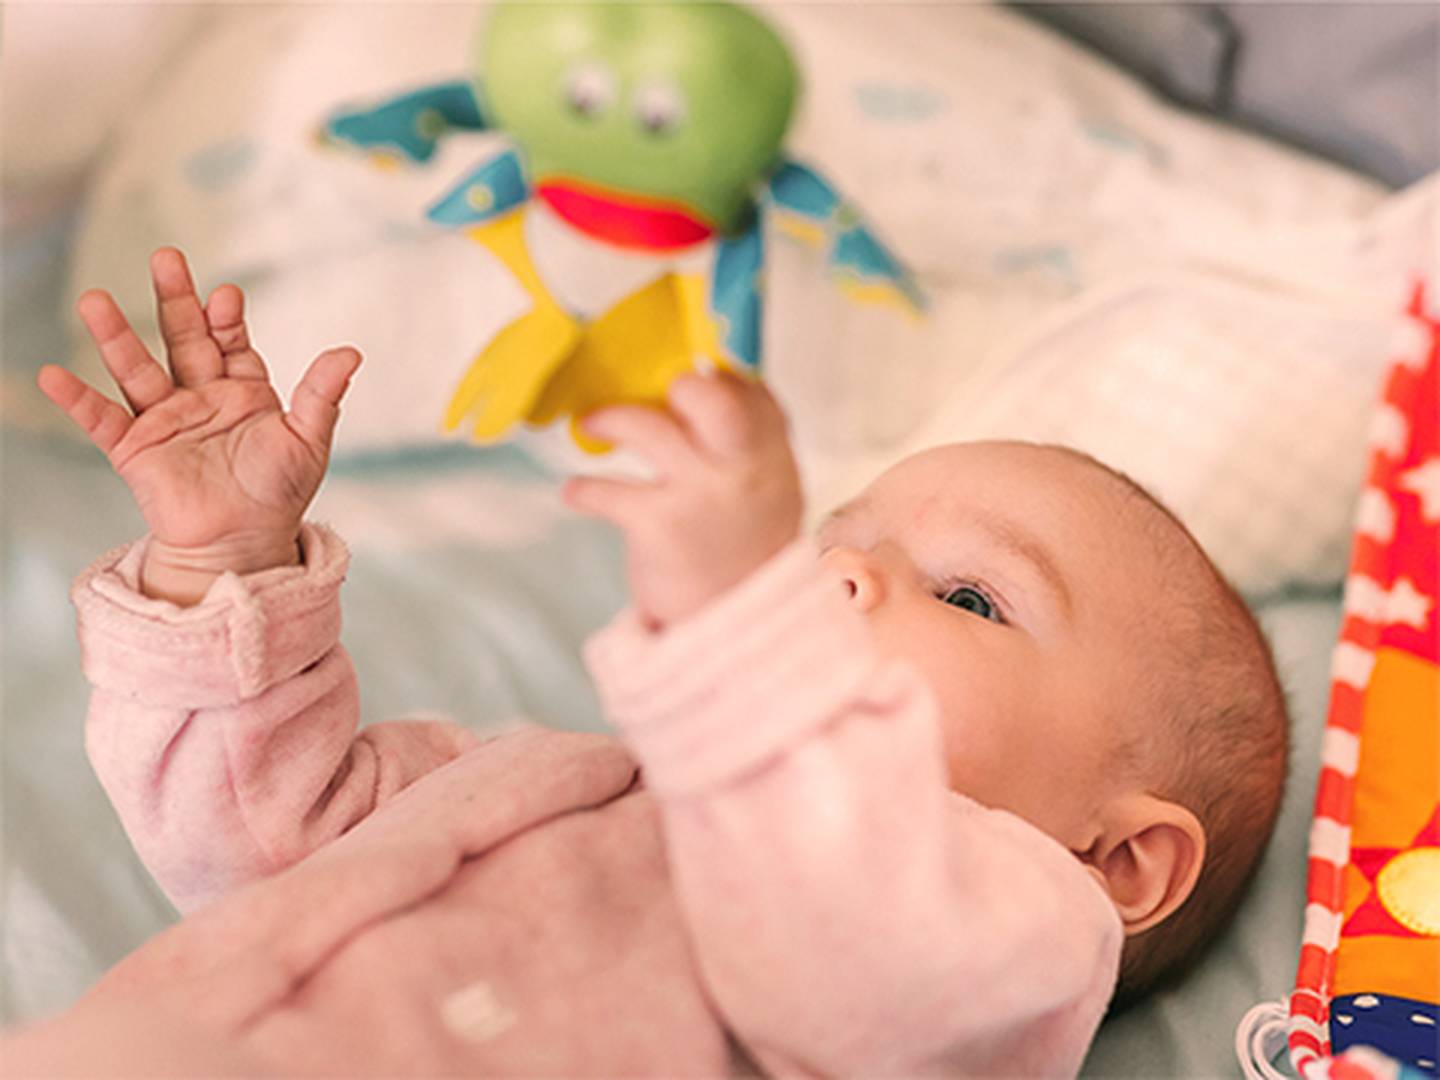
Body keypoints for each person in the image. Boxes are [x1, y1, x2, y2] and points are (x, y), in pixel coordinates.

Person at [12, 248, 1288, 1076]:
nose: (844, 576)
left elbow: (839, 956)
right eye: (830, 544)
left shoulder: (1014, 938)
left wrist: (740, 622)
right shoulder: (535, 778)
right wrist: (227, 566)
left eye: (971, 596)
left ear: (1121, 860)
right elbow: (256, 840)